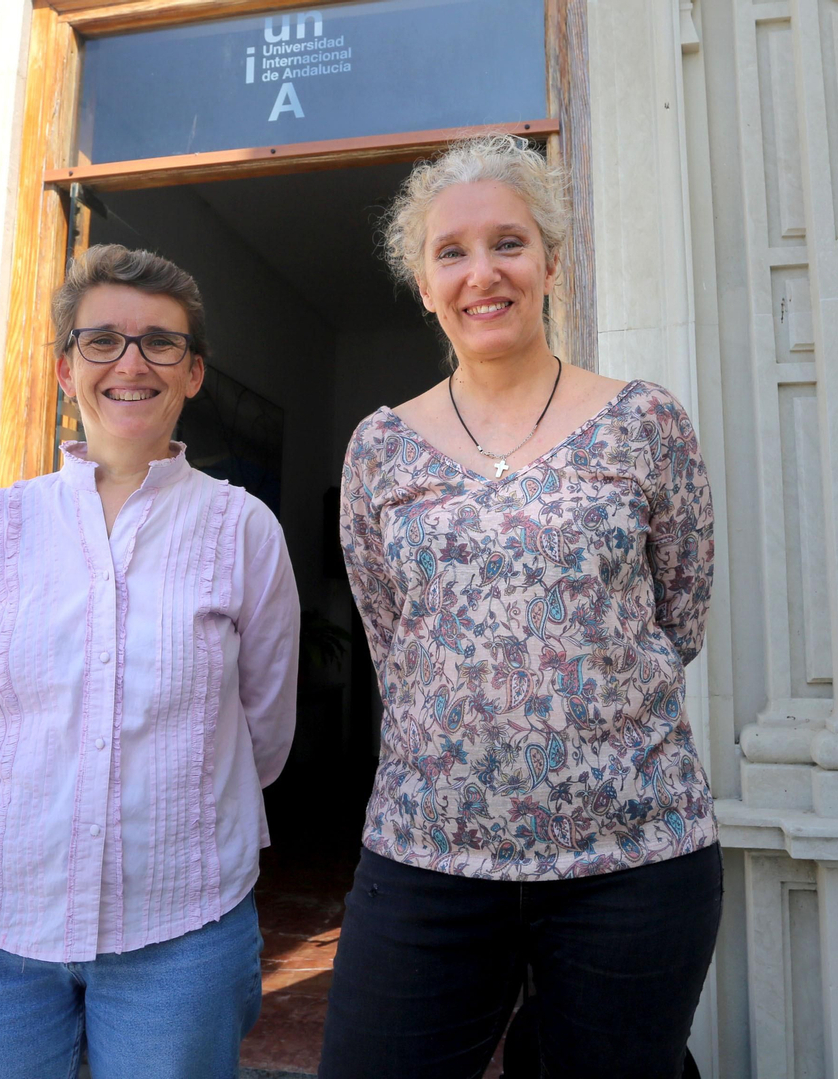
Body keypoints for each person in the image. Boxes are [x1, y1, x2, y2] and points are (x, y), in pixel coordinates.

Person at [322, 135, 720, 1079]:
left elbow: (680, 615)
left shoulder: (645, 420)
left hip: (631, 859)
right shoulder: (379, 450)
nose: (481, 272)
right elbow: (396, 639)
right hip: (426, 858)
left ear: (549, 261)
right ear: (422, 284)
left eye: (507, 242)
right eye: (450, 252)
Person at [0, 245, 300, 1079]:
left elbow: (263, 732)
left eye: (162, 343)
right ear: (63, 368)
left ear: (193, 375)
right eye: (103, 341)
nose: (131, 362)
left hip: (179, 928)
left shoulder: (243, 530)